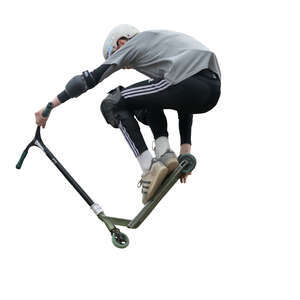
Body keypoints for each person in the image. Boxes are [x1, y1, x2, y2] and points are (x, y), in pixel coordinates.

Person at [35, 24, 221, 204]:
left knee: (112, 104)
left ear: (121, 43)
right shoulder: (162, 45)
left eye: (114, 55)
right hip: (210, 91)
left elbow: (88, 80)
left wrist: (50, 106)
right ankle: (166, 155)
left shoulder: (133, 43)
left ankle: (149, 167)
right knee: (149, 97)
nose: (124, 67)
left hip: (187, 82)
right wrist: (185, 152)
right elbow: (185, 103)